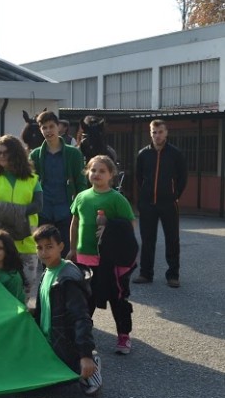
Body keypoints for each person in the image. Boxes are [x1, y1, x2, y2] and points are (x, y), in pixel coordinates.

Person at [69, 155, 136, 355]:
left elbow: (129, 227)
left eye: (102, 171)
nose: (96, 174)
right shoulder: (81, 197)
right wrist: (73, 248)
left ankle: (124, 335)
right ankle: (83, 337)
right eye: (93, 170)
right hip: (84, 257)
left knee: (118, 298)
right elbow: (74, 222)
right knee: (85, 299)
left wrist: (110, 226)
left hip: (111, 260)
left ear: (111, 175)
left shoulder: (117, 199)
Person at [32, 224, 102, 396]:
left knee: (45, 389)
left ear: (61, 247)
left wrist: (85, 354)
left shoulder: (67, 279)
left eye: (49, 247)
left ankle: (89, 364)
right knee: (29, 389)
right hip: (49, 342)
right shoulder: (46, 273)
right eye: (39, 248)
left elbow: (81, 318)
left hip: (64, 345)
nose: (44, 252)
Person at [0, 135, 43, 302]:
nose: (1, 156)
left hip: (26, 243)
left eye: (5, 153)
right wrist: (18, 213)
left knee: (26, 291)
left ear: (16, 154)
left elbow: (37, 205)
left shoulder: (32, 179)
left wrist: (6, 210)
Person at [134, 119, 187, 287]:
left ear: (166, 133)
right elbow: (138, 177)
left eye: (160, 132)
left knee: (172, 239)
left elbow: (183, 177)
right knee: (147, 239)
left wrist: (175, 195)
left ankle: (173, 275)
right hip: (148, 204)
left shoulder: (175, 153)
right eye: (154, 132)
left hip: (168, 203)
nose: (157, 135)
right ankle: (145, 274)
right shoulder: (143, 154)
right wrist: (144, 196)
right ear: (150, 133)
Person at [30, 110, 88, 256]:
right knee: (44, 251)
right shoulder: (35, 155)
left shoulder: (74, 154)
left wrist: (80, 207)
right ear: (40, 130)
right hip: (44, 210)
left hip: (66, 209)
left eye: (51, 126)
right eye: (44, 127)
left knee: (66, 251)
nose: (48, 131)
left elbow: (81, 182)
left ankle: (65, 279)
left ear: (58, 127)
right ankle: (47, 278)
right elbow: (29, 183)